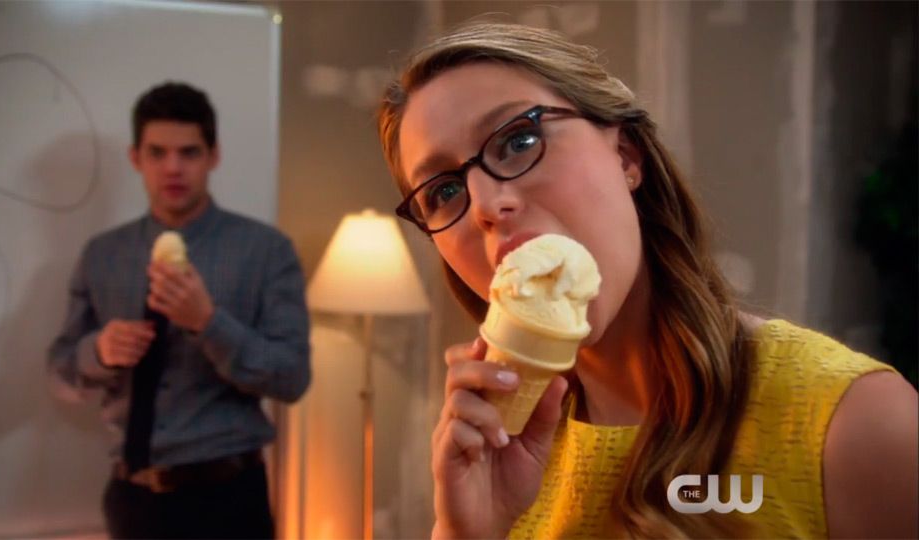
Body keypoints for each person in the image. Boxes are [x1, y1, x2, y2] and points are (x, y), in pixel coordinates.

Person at [377, 23, 918, 539]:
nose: (486, 206)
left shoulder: (859, 424)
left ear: (626, 156)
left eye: (519, 141)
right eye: (443, 192)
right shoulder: (496, 456)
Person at [48, 82, 310, 539]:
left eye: (189, 152)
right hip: (130, 499)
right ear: (136, 158)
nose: (173, 167)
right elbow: (60, 372)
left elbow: (291, 378)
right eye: (157, 153)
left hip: (229, 500)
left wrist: (209, 323)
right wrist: (100, 352)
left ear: (213, 156)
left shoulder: (266, 251)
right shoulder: (102, 255)